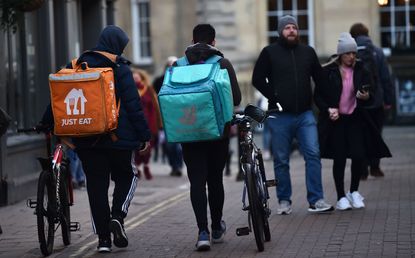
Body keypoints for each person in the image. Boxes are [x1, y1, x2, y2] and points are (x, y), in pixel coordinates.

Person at [41, 25, 151, 253]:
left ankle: (103, 241)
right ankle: (118, 216)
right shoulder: (119, 68)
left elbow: (58, 99)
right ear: (118, 45)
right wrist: (144, 136)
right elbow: (133, 106)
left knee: (96, 187)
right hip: (119, 138)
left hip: (87, 139)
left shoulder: (76, 65)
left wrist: (46, 122)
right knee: (127, 176)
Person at [251, 15, 333, 215]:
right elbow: (257, 79)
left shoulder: (308, 52)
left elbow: (321, 80)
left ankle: (316, 200)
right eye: (287, 28)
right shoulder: (269, 52)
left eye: (294, 27)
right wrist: (273, 95)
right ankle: (284, 201)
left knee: (313, 155)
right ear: (280, 31)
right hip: (280, 116)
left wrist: (327, 103)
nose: (291, 31)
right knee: (281, 160)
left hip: (305, 114)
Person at [177, 24, 241, 251]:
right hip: (217, 134)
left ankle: (202, 232)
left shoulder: (179, 64)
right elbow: (235, 98)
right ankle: (216, 226)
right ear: (213, 42)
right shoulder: (222, 63)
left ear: (192, 40)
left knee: (197, 182)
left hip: (189, 133)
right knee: (215, 180)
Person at [315, 32, 392, 210]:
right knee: (340, 158)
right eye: (348, 53)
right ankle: (341, 196)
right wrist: (328, 109)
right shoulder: (329, 71)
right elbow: (318, 96)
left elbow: (371, 93)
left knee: (359, 155)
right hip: (337, 120)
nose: (352, 57)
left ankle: (354, 191)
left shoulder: (361, 69)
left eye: (354, 53)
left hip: (356, 118)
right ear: (341, 54)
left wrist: (365, 96)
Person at [349, 23, 394, 180]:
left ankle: (362, 171)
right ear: (367, 34)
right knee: (376, 134)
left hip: (357, 103)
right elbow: (386, 78)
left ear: (352, 36)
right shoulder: (378, 51)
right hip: (376, 102)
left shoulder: (350, 53)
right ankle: (375, 167)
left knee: (360, 136)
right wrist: (388, 101)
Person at [153, 56, 184, 176]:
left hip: (180, 115)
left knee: (179, 146)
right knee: (169, 145)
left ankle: (178, 166)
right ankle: (173, 165)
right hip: (165, 116)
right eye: (169, 64)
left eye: (174, 64)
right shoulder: (159, 81)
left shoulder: (182, 79)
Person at [132, 68, 162, 180]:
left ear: (141, 77)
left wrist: (157, 124)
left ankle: (146, 165)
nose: (135, 79)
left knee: (149, 147)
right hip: (136, 123)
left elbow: (154, 107)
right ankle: (138, 167)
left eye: (137, 77)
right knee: (137, 147)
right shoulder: (130, 89)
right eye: (133, 77)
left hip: (149, 122)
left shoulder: (148, 89)